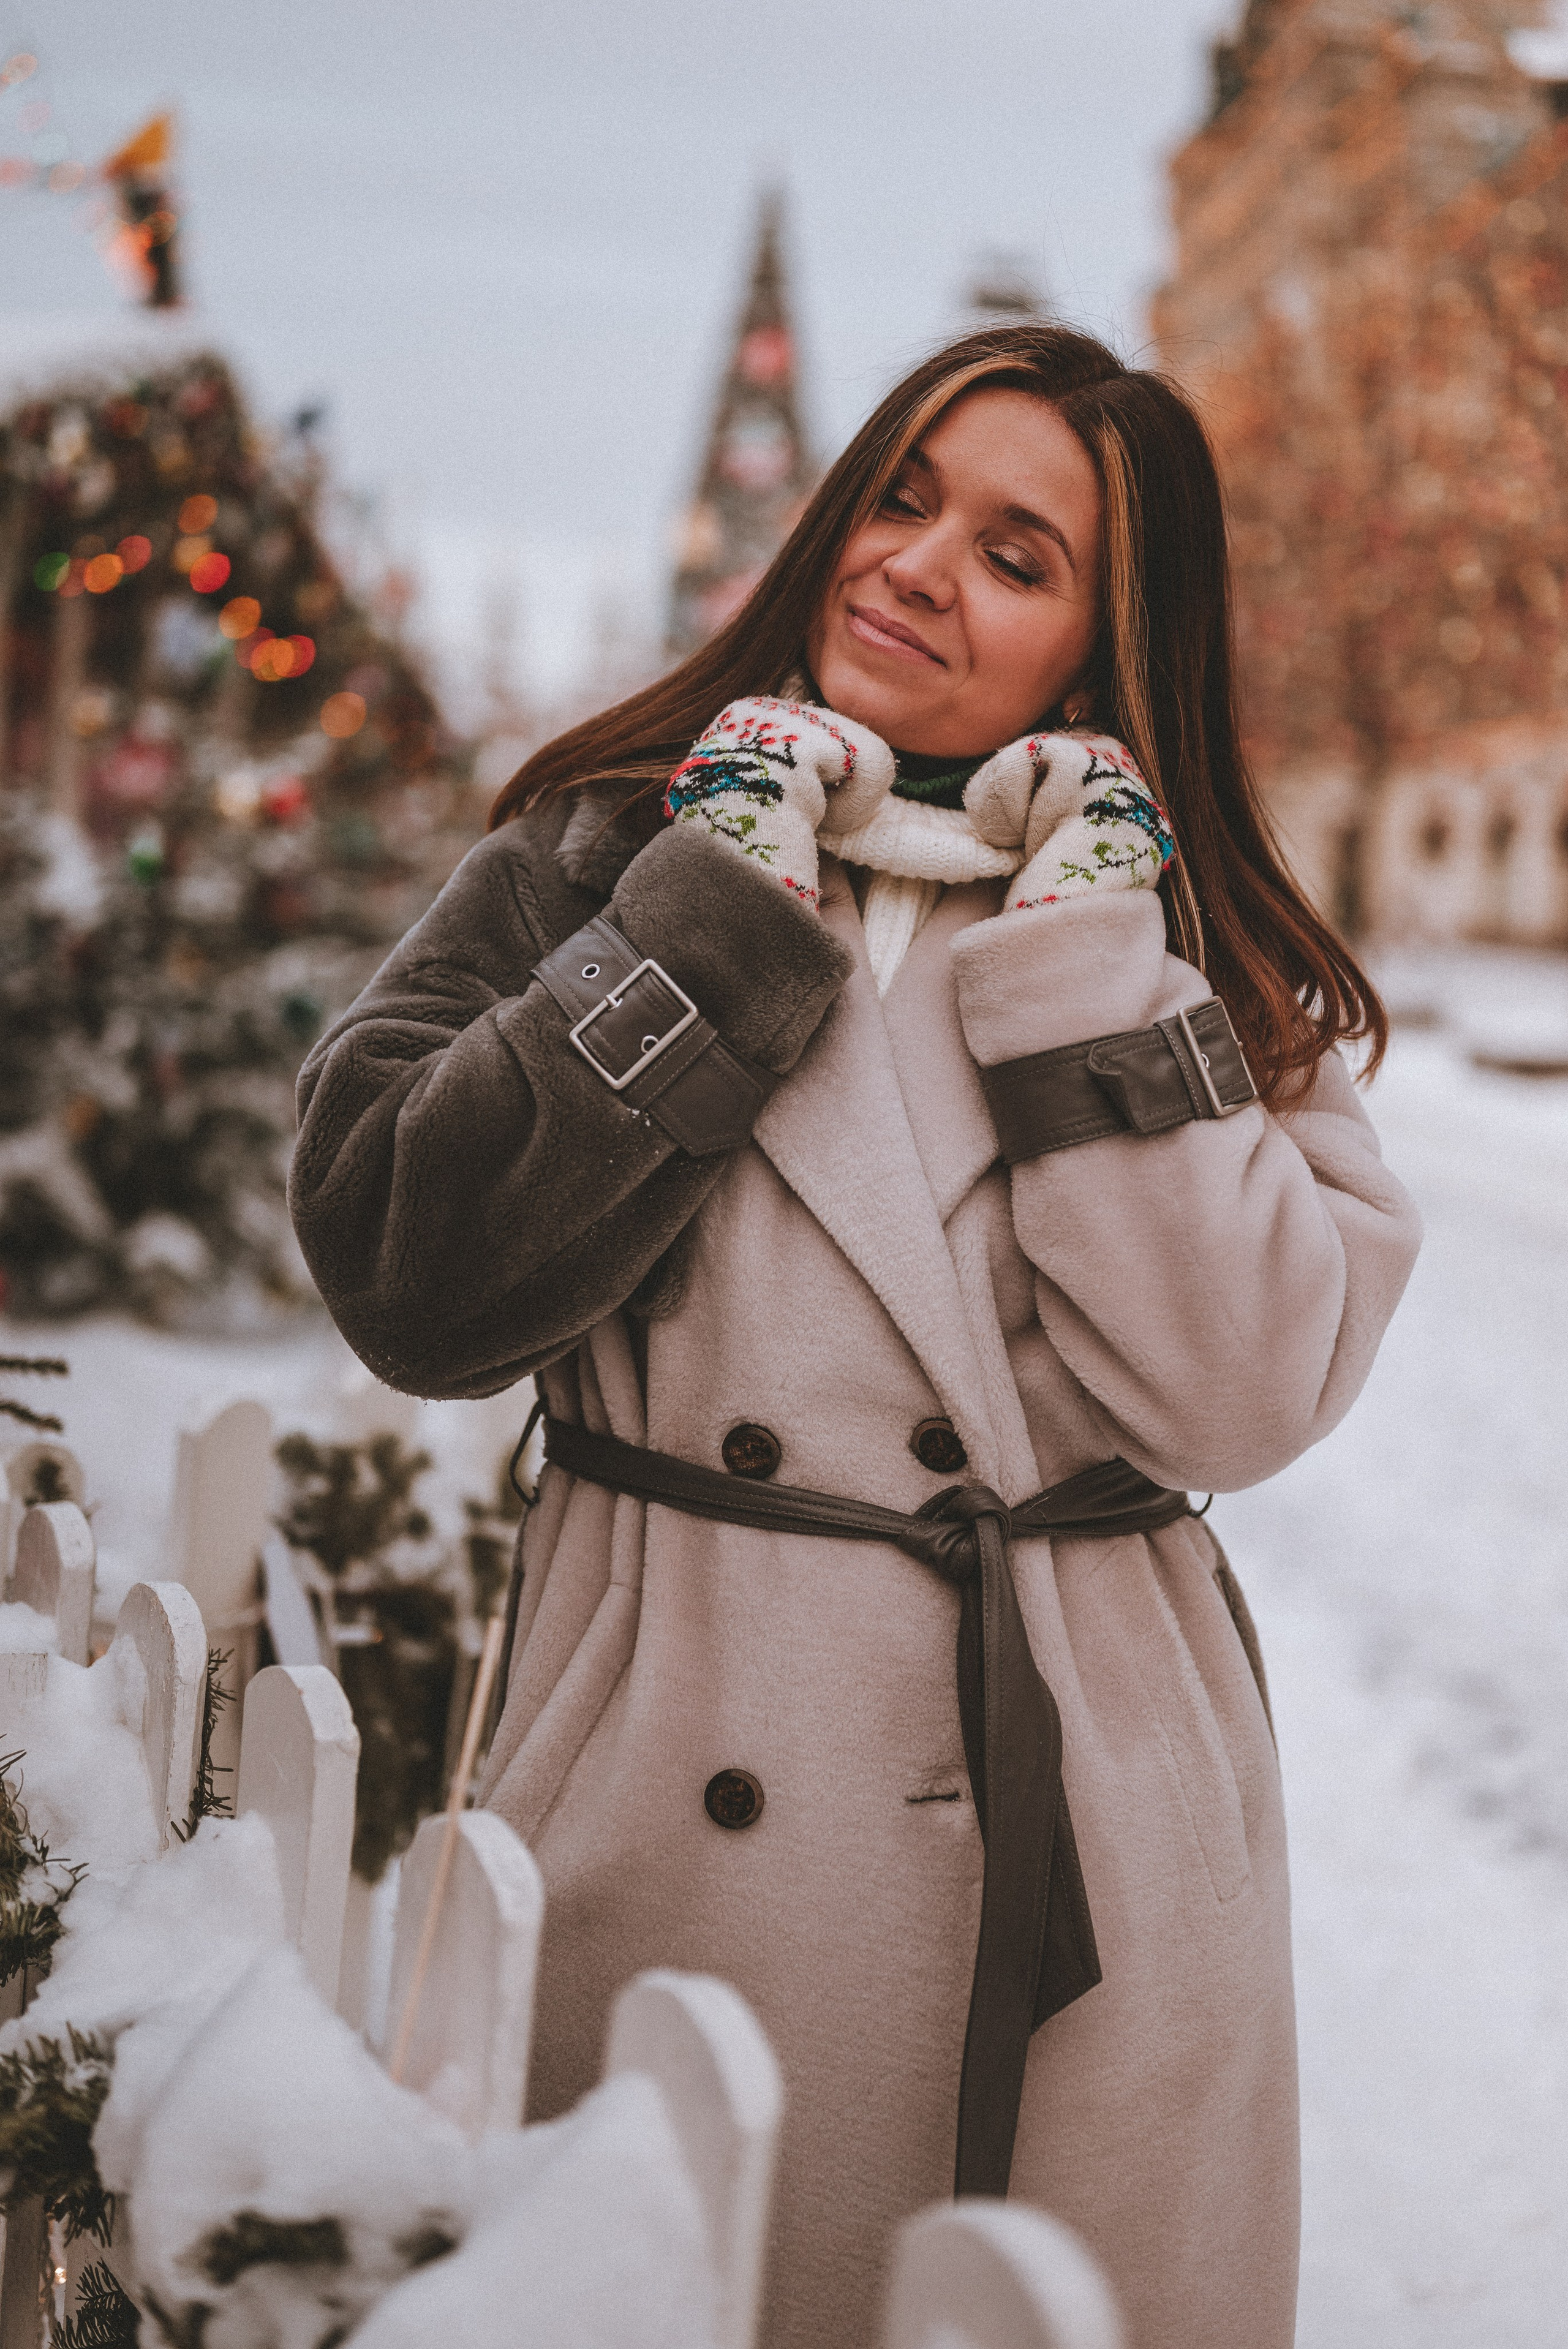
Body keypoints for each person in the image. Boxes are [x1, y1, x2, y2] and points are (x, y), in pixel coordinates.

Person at [289, 323, 1420, 2349]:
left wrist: (1089, 961)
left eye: (1015, 551)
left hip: (1079, 1848)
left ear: (1100, 645)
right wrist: (706, 903)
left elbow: (1245, 1392)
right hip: (659, 1780)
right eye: (898, 497)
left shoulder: (1184, 946)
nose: (914, 565)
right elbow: (410, 1269)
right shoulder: (601, 853)